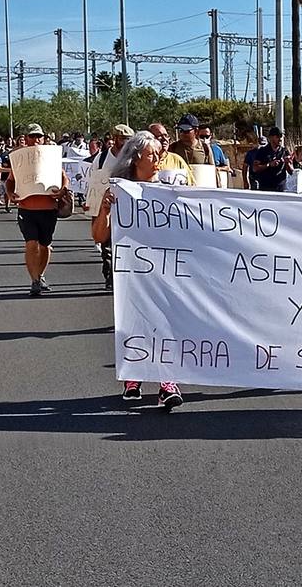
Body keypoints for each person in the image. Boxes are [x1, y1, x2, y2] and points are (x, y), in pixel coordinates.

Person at [91, 129, 185, 410]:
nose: (158, 159)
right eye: (151, 155)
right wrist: (106, 210)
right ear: (135, 160)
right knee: (135, 321)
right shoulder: (120, 191)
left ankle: (167, 384)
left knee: (167, 323)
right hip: (132, 271)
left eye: (159, 154)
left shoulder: (171, 188)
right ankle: (134, 376)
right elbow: (98, 236)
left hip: (168, 268)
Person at [7, 123, 70, 296]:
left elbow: (64, 178)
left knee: (45, 246)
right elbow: (10, 181)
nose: (35, 139)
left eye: (38, 136)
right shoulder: (20, 157)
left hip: (48, 208)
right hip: (27, 209)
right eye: (32, 136)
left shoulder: (50, 156)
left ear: (43, 138)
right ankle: (34, 280)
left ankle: (40, 275)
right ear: (26, 138)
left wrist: (62, 190)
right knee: (31, 244)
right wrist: (10, 193)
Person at [251, 126, 291, 192]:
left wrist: (287, 163)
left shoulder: (285, 151)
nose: (280, 139)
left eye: (281, 136)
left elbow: (291, 171)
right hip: (265, 187)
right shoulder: (263, 151)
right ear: (271, 137)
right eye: (277, 136)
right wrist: (269, 165)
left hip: (280, 187)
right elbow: (255, 168)